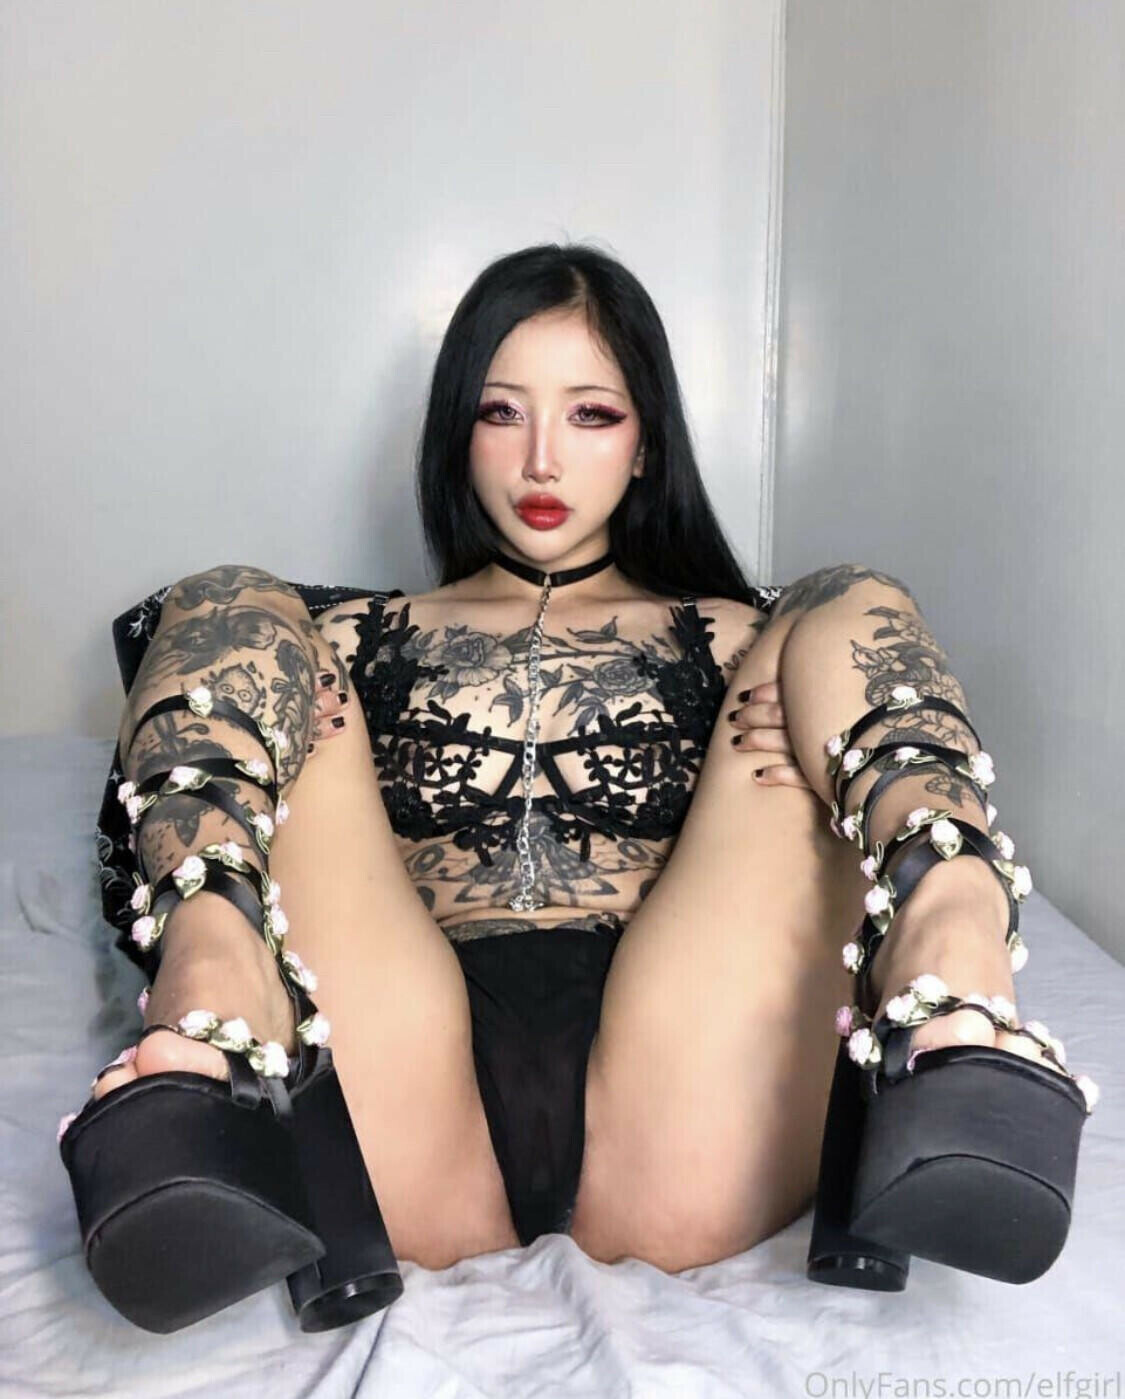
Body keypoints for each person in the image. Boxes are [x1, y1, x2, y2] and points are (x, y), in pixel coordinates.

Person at [57, 243, 1098, 1332]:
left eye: (591, 414)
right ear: (457, 432)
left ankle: (953, 959)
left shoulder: (754, 640)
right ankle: (214, 995)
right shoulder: (344, 639)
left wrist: (807, 703)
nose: (541, 460)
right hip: (397, 1082)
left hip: (687, 1084)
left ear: (647, 441)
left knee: (853, 598)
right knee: (225, 599)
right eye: (501, 412)